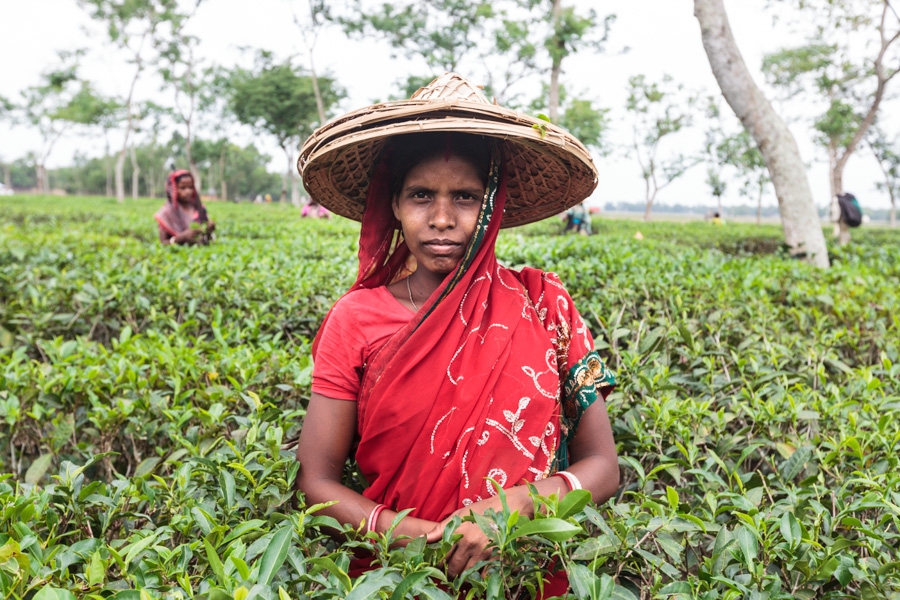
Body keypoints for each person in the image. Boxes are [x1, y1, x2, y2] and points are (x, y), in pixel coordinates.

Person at [295, 74, 618, 589]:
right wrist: (414, 537)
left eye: (465, 197)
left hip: (522, 575)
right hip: (400, 577)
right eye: (421, 195)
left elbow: (603, 465)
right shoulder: (355, 319)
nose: (442, 218)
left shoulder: (545, 303)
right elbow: (316, 481)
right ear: (395, 206)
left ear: (493, 206)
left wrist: (515, 507)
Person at [154, 169, 215, 245]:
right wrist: (181, 238)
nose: (188, 191)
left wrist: (208, 230)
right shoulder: (167, 212)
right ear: (174, 189)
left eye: (190, 187)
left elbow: (206, 239)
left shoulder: (199, 209)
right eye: (183, 188)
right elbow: (163, 243)